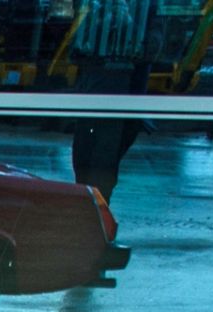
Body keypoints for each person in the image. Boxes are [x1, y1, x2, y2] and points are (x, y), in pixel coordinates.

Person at [68, 0, 167, 202]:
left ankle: (96, 209)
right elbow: (77, 48)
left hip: (122, 94)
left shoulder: (146, 10)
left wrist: (126, 24)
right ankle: (88, 207)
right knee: (84, 157)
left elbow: (151, 48)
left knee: (103, 163)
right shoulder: (98, 10)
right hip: (94, 91)